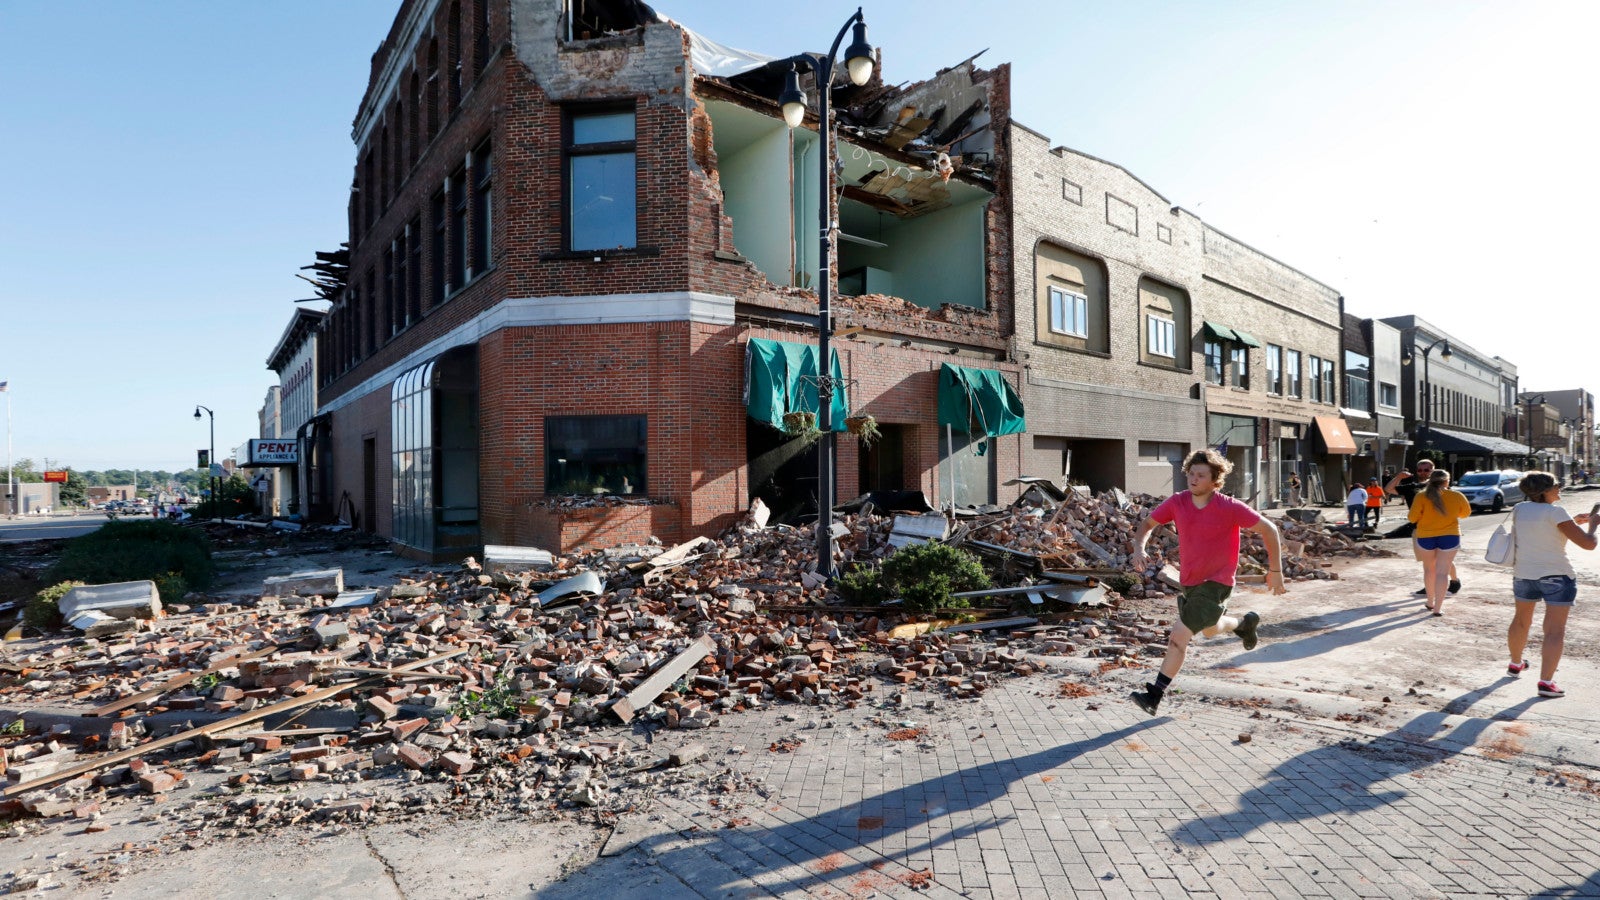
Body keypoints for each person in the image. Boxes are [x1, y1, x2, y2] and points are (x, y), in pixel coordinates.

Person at [1128, 449, 1288, 715]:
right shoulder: (1178, 502)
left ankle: (1154, 695)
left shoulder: (1229, 506)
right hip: (1189, 582)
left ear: (1215, 480)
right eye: (1191, 473)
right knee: (1211, 629)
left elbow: (1269, 529)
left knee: (1178, 636)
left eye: (1201, 475)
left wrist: (1276, 570)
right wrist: (1138, 549)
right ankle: (1244, 624)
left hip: (1217, 582)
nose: (1193, 479)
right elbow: (1147, 524)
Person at [1504, 471, 1598, 698]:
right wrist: (1593, 525)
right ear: (1545, 490)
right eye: (1556, 485)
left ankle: (1516, 664)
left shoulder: (1520, 509)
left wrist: (1572, 522)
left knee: (1520, 620)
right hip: (1556, 575)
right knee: (1554, 631)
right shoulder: (1556, 512)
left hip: (1524, 573)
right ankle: (1546, 683)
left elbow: (1540, 528)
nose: (1559, 489)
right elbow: (1588, 544)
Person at [1387, 459, 1461, 595]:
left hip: (1442, 529)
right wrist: (1399, 477)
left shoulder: (1442, 487)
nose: (1423, 473)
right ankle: (1430, 586)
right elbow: (1389, 489)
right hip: (1420, 529)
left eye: (1427, 470)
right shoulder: (1412, 487)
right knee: (1429, 562)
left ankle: (1454, 581)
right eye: (1420, 470)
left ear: (1433, 470)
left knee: (1442, 559)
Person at [1407, 469, 1471, 617]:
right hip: (1450, 535)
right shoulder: (1457, 495)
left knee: (1429, 570)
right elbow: (1465, 513)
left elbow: (1412, 518)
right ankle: (1438, 609)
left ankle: (1430, 601)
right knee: (1443, 572)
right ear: (1447, 481)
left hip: (1425, 536)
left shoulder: (1421, 495)